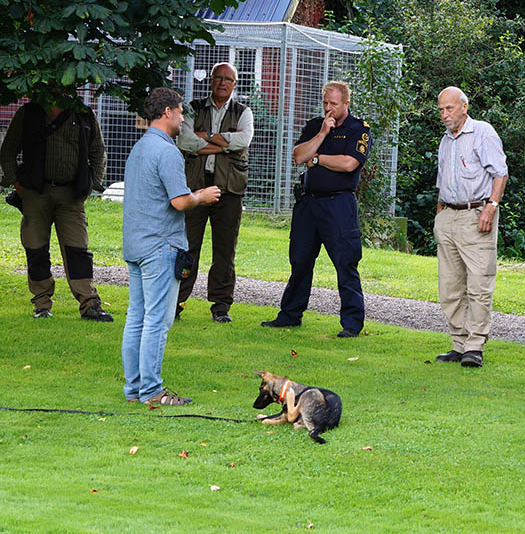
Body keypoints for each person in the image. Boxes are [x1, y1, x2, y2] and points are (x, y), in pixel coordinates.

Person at [122, 87, 221, 405]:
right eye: (180, 111)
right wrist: (202, 196)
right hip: (160, 245)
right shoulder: (167, 151)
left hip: (136, 243)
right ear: (167, 113)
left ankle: (134, 389)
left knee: (136, 316)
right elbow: (179, 201)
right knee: (156, 320)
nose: (182, 118)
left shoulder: (140, 148)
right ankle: (151, 390)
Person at [261, 81, 370, 337]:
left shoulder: (358, 129)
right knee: (300, 260)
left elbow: (349, 164)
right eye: (325, 103)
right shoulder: (314, 126)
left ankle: (352, 324)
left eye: (334, 103)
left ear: (346, 103)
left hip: (339, 205)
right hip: (309, 204)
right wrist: (321, 134)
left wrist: (318, 158)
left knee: (346, 263)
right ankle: (289, 315)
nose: (329, 108)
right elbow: (299, 156)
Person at [0, 90, 113, 321]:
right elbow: (8, 151)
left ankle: (90, 304)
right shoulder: (28, 113)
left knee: (78, 250)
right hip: (35, 193)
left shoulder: (84, 114)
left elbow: (98, 151)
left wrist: (92, 185)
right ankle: (41, 304)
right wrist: (17, 185)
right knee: (36, 249)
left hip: (72, 195)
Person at [433, 86, 508, 368]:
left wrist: (491, 206)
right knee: (449, 286)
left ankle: (475, 346)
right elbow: (443, 180)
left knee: (479, 284)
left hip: (476, 214)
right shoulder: (446, 140)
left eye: (449, 108)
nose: (444, 115)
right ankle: (458, 343)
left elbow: (500, 172)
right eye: (441, 110)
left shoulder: (483, 133)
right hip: (449, 216)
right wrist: (439, 213)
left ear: (464, 107)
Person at [175, 62, 254, 323]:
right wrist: (223, 142)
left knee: (224, 251)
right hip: (195, 186)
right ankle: (175, 302)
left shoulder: (243, 112)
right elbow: (185, 141)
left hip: (228, 189)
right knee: (186, 247)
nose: (222, 82)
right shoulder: (192, 108)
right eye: (218, 78)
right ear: (210, 81)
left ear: (235, 84)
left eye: (228, 79)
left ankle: (221, 307)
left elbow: (243, 141)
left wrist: (205, 137)